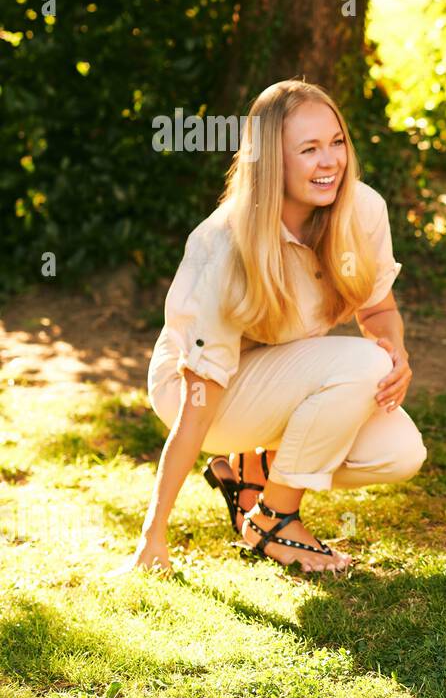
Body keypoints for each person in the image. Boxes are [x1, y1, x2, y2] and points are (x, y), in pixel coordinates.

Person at [129, 80, 426, 575]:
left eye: (336, 143)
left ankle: (254, 472)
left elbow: (377, 310)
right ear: (270, 161)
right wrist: (152, 535)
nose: (329, 161)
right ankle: (272, 518)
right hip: (198, 392)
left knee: (399, 453)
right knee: (361, 366)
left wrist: (396, 351)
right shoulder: (225, 247)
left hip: (277, 377)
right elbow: (196, 407)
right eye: (308, 149)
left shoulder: (363, 209)